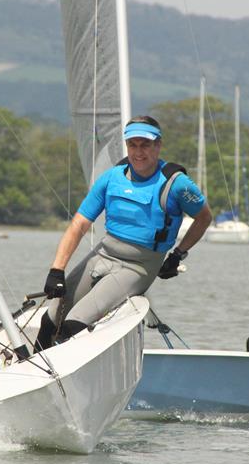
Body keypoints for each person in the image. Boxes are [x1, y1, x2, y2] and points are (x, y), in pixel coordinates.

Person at [35, 115, 212, 351]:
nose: (139, 152)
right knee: (51, 319)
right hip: (103, 254)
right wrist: (56, 270)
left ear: (158, 145)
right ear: (127, 145)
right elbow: (78, 225)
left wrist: (178, 254)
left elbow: (204, 217)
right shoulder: (111, 178)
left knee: (73, 324)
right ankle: (28, 373)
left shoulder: (177, 183)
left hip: (138, 267)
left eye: (145, 145)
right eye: (133, 145)